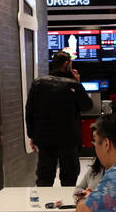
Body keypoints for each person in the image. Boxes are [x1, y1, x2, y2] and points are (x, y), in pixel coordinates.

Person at [26, 50, 93, 187]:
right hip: (68, 139)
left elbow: (30, 111)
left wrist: (32, 135)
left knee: (44, 177)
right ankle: (67, 205)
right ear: (67, 65)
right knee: (69, 177)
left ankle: (43, 206)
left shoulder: (38, 83)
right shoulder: (73, 84)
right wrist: (78, 82)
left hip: (45, 139)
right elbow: (87, 105)